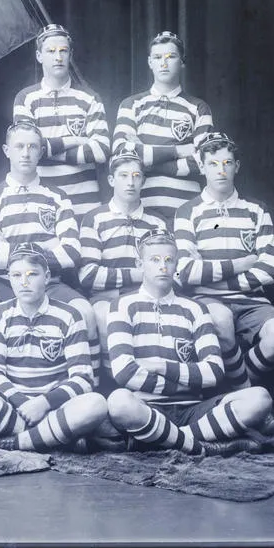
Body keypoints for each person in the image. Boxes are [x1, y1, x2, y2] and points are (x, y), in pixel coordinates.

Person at [105, 227, 269, 456]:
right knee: (118, 402)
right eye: (154, 259)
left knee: (259, 399)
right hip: (146, 407)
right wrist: (186, 381)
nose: (163, 266)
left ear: (176, 265)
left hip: (192, 409)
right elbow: (124, 372)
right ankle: (199, 446)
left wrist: (161, 366)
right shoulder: (122, 306)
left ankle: (165, 439)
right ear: (140, 264)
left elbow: (213, 372)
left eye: (169, 260)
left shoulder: (195, 309)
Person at [173, 132, 274, 437]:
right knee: (221, 320)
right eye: (213, 164)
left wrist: (218, 276)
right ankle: (255, 407)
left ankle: (237, 390)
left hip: (252, 300)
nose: (221, 170)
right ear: (202, 167)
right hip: (207, 301)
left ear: (237, 166)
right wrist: (238, 265)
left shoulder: (256, 209)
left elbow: (271, 266)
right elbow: (186, 271)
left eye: (227, 162)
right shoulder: (188, 211)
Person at [0, 120, 98, 385]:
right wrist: (48, 246)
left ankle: (91, 390)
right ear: (6, 151)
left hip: (50, 283)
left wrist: (12, 246)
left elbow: (71, 252)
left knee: (84, 310)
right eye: (19, 146)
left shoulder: (58, 196)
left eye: (32, 147)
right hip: (3, 282)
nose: (26, 153)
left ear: (40, 152)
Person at [0, 243, 107, 453]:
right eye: (16, 275)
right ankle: (54, 437)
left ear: (46, 277)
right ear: (9, 278)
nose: (24, 282)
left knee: (96, 404)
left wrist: (43, 403)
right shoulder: (0, 313)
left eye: (32, 274)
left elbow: (83, 378)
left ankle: (8, 443)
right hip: (15, 405)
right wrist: (24, 404)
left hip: (54, 405)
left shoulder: (70, 315)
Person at [78, 144, 167, 380]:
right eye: (123, 176)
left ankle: (149, 390)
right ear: (110, 180)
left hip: (148, 297)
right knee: (105, 315)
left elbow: (169, 272)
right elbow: (88, 275)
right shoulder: (95, 218)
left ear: (143, 181)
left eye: (136, 176)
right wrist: (143, 274)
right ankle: (114, 386)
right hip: (107, 298)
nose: (130, 182)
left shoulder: (157, 222)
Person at [112, 31, 214, 227]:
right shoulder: (131, 104)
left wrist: (146, 157)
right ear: (150, 62)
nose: (164, 63)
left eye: (171, 57)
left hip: (184, 207)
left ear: (182, 62)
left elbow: (201, 162)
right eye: (158, 57)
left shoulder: (199, 107)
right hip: (142, 205)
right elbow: (121, 152)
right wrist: (178, 151)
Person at [13, 23, 110, 220]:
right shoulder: (26, 98)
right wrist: (75, 140)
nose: (58, 57)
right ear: (39, 56)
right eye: (50, 51)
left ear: (70, 55)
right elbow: (27, 150)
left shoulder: (89, 98)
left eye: (63, 51)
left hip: (84, 203)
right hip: (42, 201)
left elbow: (101, 150)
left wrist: (46, 149)